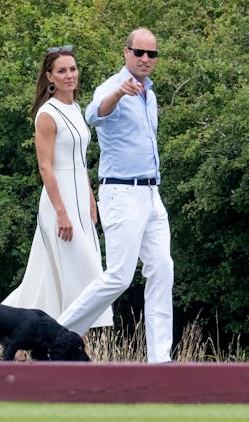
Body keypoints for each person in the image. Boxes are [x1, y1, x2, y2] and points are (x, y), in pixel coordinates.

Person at [57, 28, 174, 363]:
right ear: (126, 52)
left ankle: (160, 359)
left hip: (151, 194)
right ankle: (56, 332)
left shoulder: (149, 95)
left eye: (152, 54)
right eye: (139, 53)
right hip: (122, 192)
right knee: (120, 276)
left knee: (162, 268)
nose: (146, 60)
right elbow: (94, 114)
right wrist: (119, 95)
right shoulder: (113, 87)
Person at [2, 45, 113, 330]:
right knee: (75, 273)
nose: (69, 75)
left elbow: (80, 161)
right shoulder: (47, 114)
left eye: (73, 69)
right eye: (62, 71)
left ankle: (17, 328)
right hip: (58, 204)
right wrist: (61, 212)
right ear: (49, 77)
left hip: (80, 200)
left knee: (59, 277)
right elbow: (45, 167)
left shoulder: (75, 108)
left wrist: (91, 200)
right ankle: (69, 337)